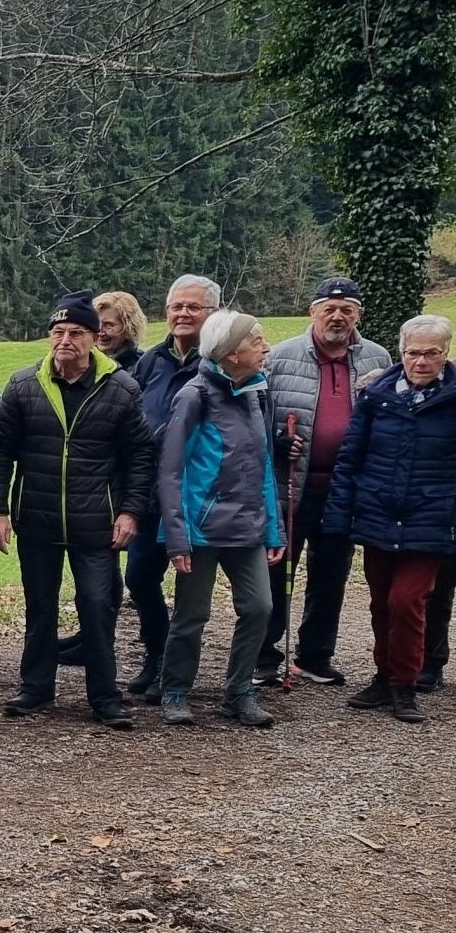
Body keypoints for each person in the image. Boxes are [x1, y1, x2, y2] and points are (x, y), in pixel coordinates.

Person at [0, 293, 154, 728]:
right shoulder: (23, 386)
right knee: (40, 604)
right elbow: (0, 451)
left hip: (97, 521)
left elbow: (139, 455)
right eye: (57, 332)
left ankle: (105, 695)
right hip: (37, 518)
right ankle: (35, 687)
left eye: (76, 333)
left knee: (98, 604)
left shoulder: (121, 388)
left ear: (95, 338)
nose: (65, 341)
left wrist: (131, 511)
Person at [323, 314, 456, 724]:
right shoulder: (376, 396)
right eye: (414, 352)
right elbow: (350, 459)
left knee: (407, 600)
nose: (421, 361)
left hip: (431, 520)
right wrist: (338, 515)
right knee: (381, 602)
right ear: (401, 352)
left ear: (445, 353)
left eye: (431, 353)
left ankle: (404, 683)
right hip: (379, 515)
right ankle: (383, 676)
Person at [155, 312, 283, 729]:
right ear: (230, 354)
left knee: (260, 607)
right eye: (257, 341)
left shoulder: (257, 392)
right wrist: (177, 537)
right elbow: (170, 470)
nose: (265, 348)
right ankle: (175, 690)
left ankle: (239, 692)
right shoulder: (194, 395)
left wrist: (273, 528)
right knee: (192, 615)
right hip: (200, 529)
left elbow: (264, 465)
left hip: (247, 528)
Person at [259, 275, 388, 686]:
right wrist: (279, 441)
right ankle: (264, 654)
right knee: (275, 569)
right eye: (329, 308)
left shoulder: (377, 359)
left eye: (346, 309)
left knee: (331, 573)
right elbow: (258, 418)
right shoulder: (280, 357)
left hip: (343, 488)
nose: (337, 316)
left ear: (358, 315)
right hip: (288, 484)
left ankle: (315, 655)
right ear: (313, 312)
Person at [126, 275, 222, 696]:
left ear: (213, 313)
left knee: (191, 588)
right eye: (176, 307)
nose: (183, 314)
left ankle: (177, 674)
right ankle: (157, 653)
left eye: (194, 307)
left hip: (198, 495)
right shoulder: (150, 361)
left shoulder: (221, 362)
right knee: (140, 576)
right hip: (150, 493)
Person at [94, 292, 147, 372]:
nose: (99, 332)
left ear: (129, 328)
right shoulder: (82, 364)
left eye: (109, 325)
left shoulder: (144, 367)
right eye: (95, 323)